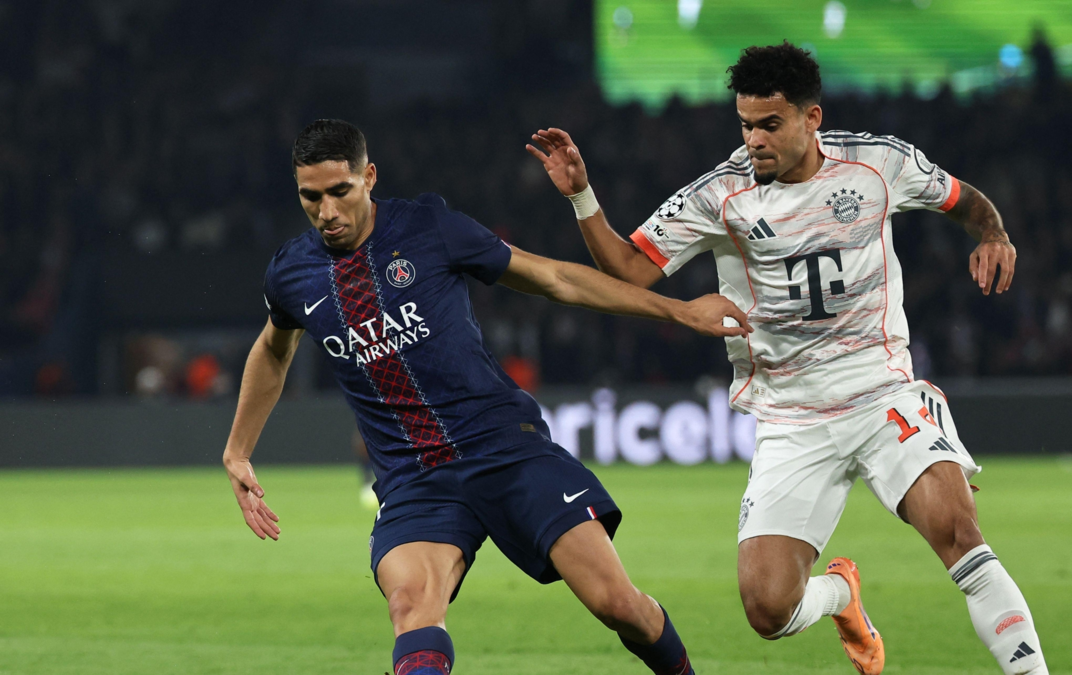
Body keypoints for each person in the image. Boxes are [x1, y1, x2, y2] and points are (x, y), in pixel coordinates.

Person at [527, 43, 1046, 675]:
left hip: (881, 389)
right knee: (767, 608)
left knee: (959, 534)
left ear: (811, 118)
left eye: (770, 125)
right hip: (789, 413)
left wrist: (993, 233)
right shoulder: (721, 195)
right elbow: (628, 267)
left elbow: (964, 201)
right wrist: (583, 197)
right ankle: (841, 596)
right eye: (746, 125)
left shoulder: (879, 165)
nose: (755, 140)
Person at [223, 119, 751, 675]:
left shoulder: (429, 228)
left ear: (369, 177)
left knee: (618, 605)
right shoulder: (291, 274)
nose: (326, 211)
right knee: (410, 606)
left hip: (504, 448)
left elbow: (554, 278)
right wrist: (238, 450)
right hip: (414, 478)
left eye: (339, 192)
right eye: (311, 197)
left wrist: (680, 309)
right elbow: (273, 350)